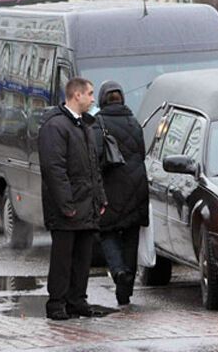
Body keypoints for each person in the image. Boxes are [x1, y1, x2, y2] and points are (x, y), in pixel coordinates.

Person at [38, 77, 107, 321]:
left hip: (86, 204)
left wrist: (101, 198)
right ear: (76, 95)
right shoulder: (56, 126)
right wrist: (66, 205)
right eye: (89, 93)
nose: (92, 98)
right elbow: (54, 169)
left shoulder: (84, 125)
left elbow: (93, 168)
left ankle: (77, 300)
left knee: (82, 257)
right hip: (68, 207)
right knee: (62, 258)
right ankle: (57, 303)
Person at [93, 81, 149, 305]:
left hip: (110, 187)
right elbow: (142, 153)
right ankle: (125, 291)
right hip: (136, 188)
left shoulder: (98, 123)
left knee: (107, 233)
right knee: (131, 238)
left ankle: (118, 271)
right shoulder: (134, 122)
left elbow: (96, 157)